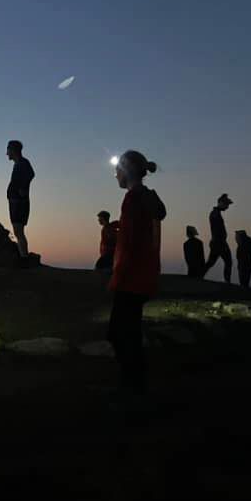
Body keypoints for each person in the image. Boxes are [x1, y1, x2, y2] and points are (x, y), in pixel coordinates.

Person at [108, 151, 167, 396]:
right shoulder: (148, 198)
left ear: (127, 171)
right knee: (128, 331)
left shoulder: (132, 199)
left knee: (119, 333)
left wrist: (118, 277)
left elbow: (130, 244)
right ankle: (134, 383)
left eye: (117, 171)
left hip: (131, 278)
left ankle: (133, 386)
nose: (115, 175)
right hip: (145, 275)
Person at [5, 140, 35, 266]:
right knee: (18, 231)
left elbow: (31, 174)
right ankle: (23, 257)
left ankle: (24, 258)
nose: (7, 153)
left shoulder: (23, 163)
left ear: (14, 150)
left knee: (18, 230)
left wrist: (23, 188)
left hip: (19, 202)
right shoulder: (18, 164)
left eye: (8, 150)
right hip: (15, 201)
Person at [203, 193, 234, 284]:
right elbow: (217, 229)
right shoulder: (215, 213)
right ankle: (227, 282)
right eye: (226, 204)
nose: (227, 207)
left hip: (218, 242)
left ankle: (199, 276)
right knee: (227, 262)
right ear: (220, 203)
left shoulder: (216, 213)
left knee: (211, 263)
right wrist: (219, 240)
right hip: (219, 242)